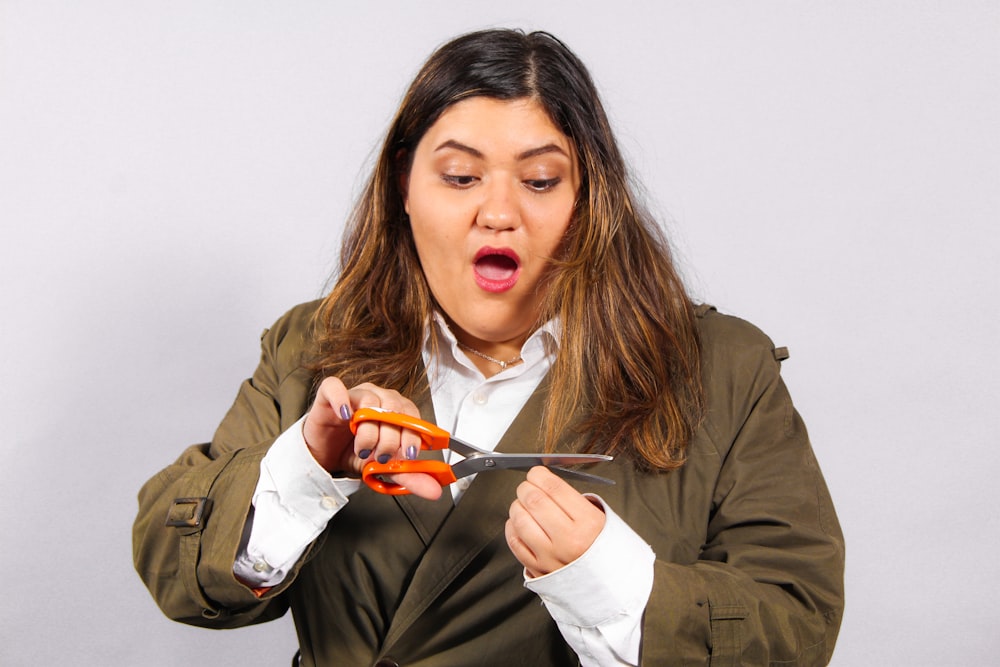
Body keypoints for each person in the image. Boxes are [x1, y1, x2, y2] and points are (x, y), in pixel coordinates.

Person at [133, 28, 845, 666]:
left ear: (588, 200)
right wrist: (309, 468)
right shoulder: (313, 347)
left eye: (539, 180)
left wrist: (604, 577)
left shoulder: (721, 369)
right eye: (461, 176)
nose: (498, 212)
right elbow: (175, 565)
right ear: (403, 186)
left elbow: (796, 627)